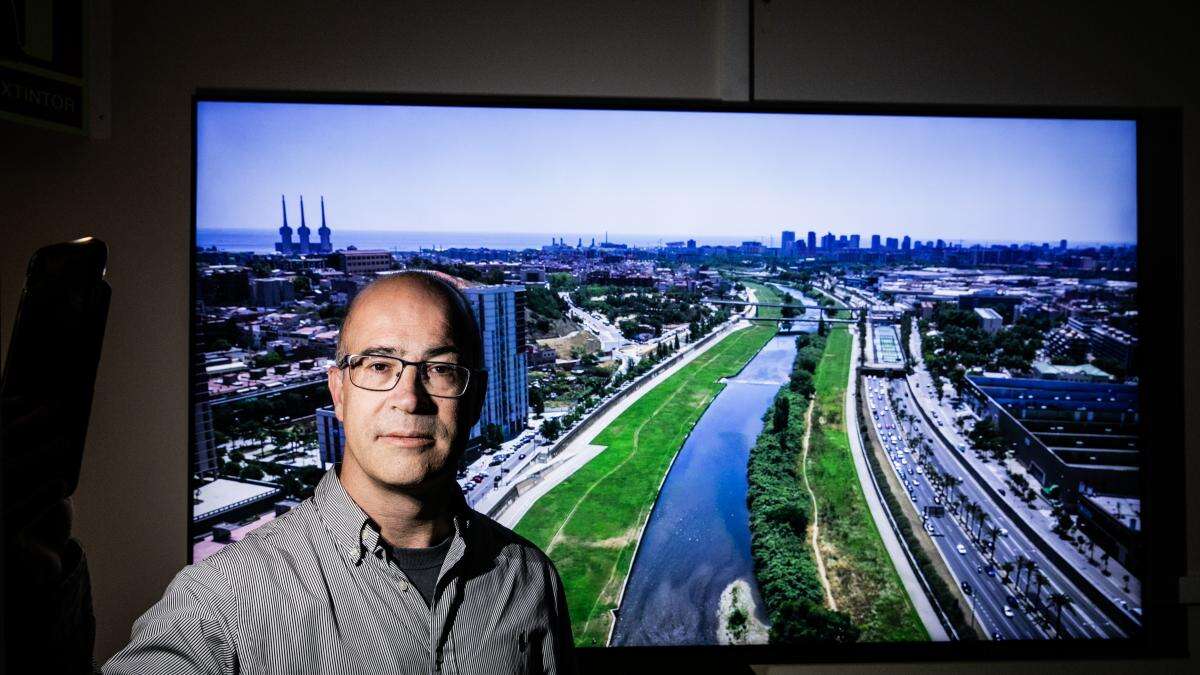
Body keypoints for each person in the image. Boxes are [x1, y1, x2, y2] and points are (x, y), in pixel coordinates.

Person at [105, 271, 576, 674]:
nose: (409, 397)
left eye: (439, 369)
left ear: (474, 397)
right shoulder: (222, 601)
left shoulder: (529, 580)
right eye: (378, 365)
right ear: (339, 393)